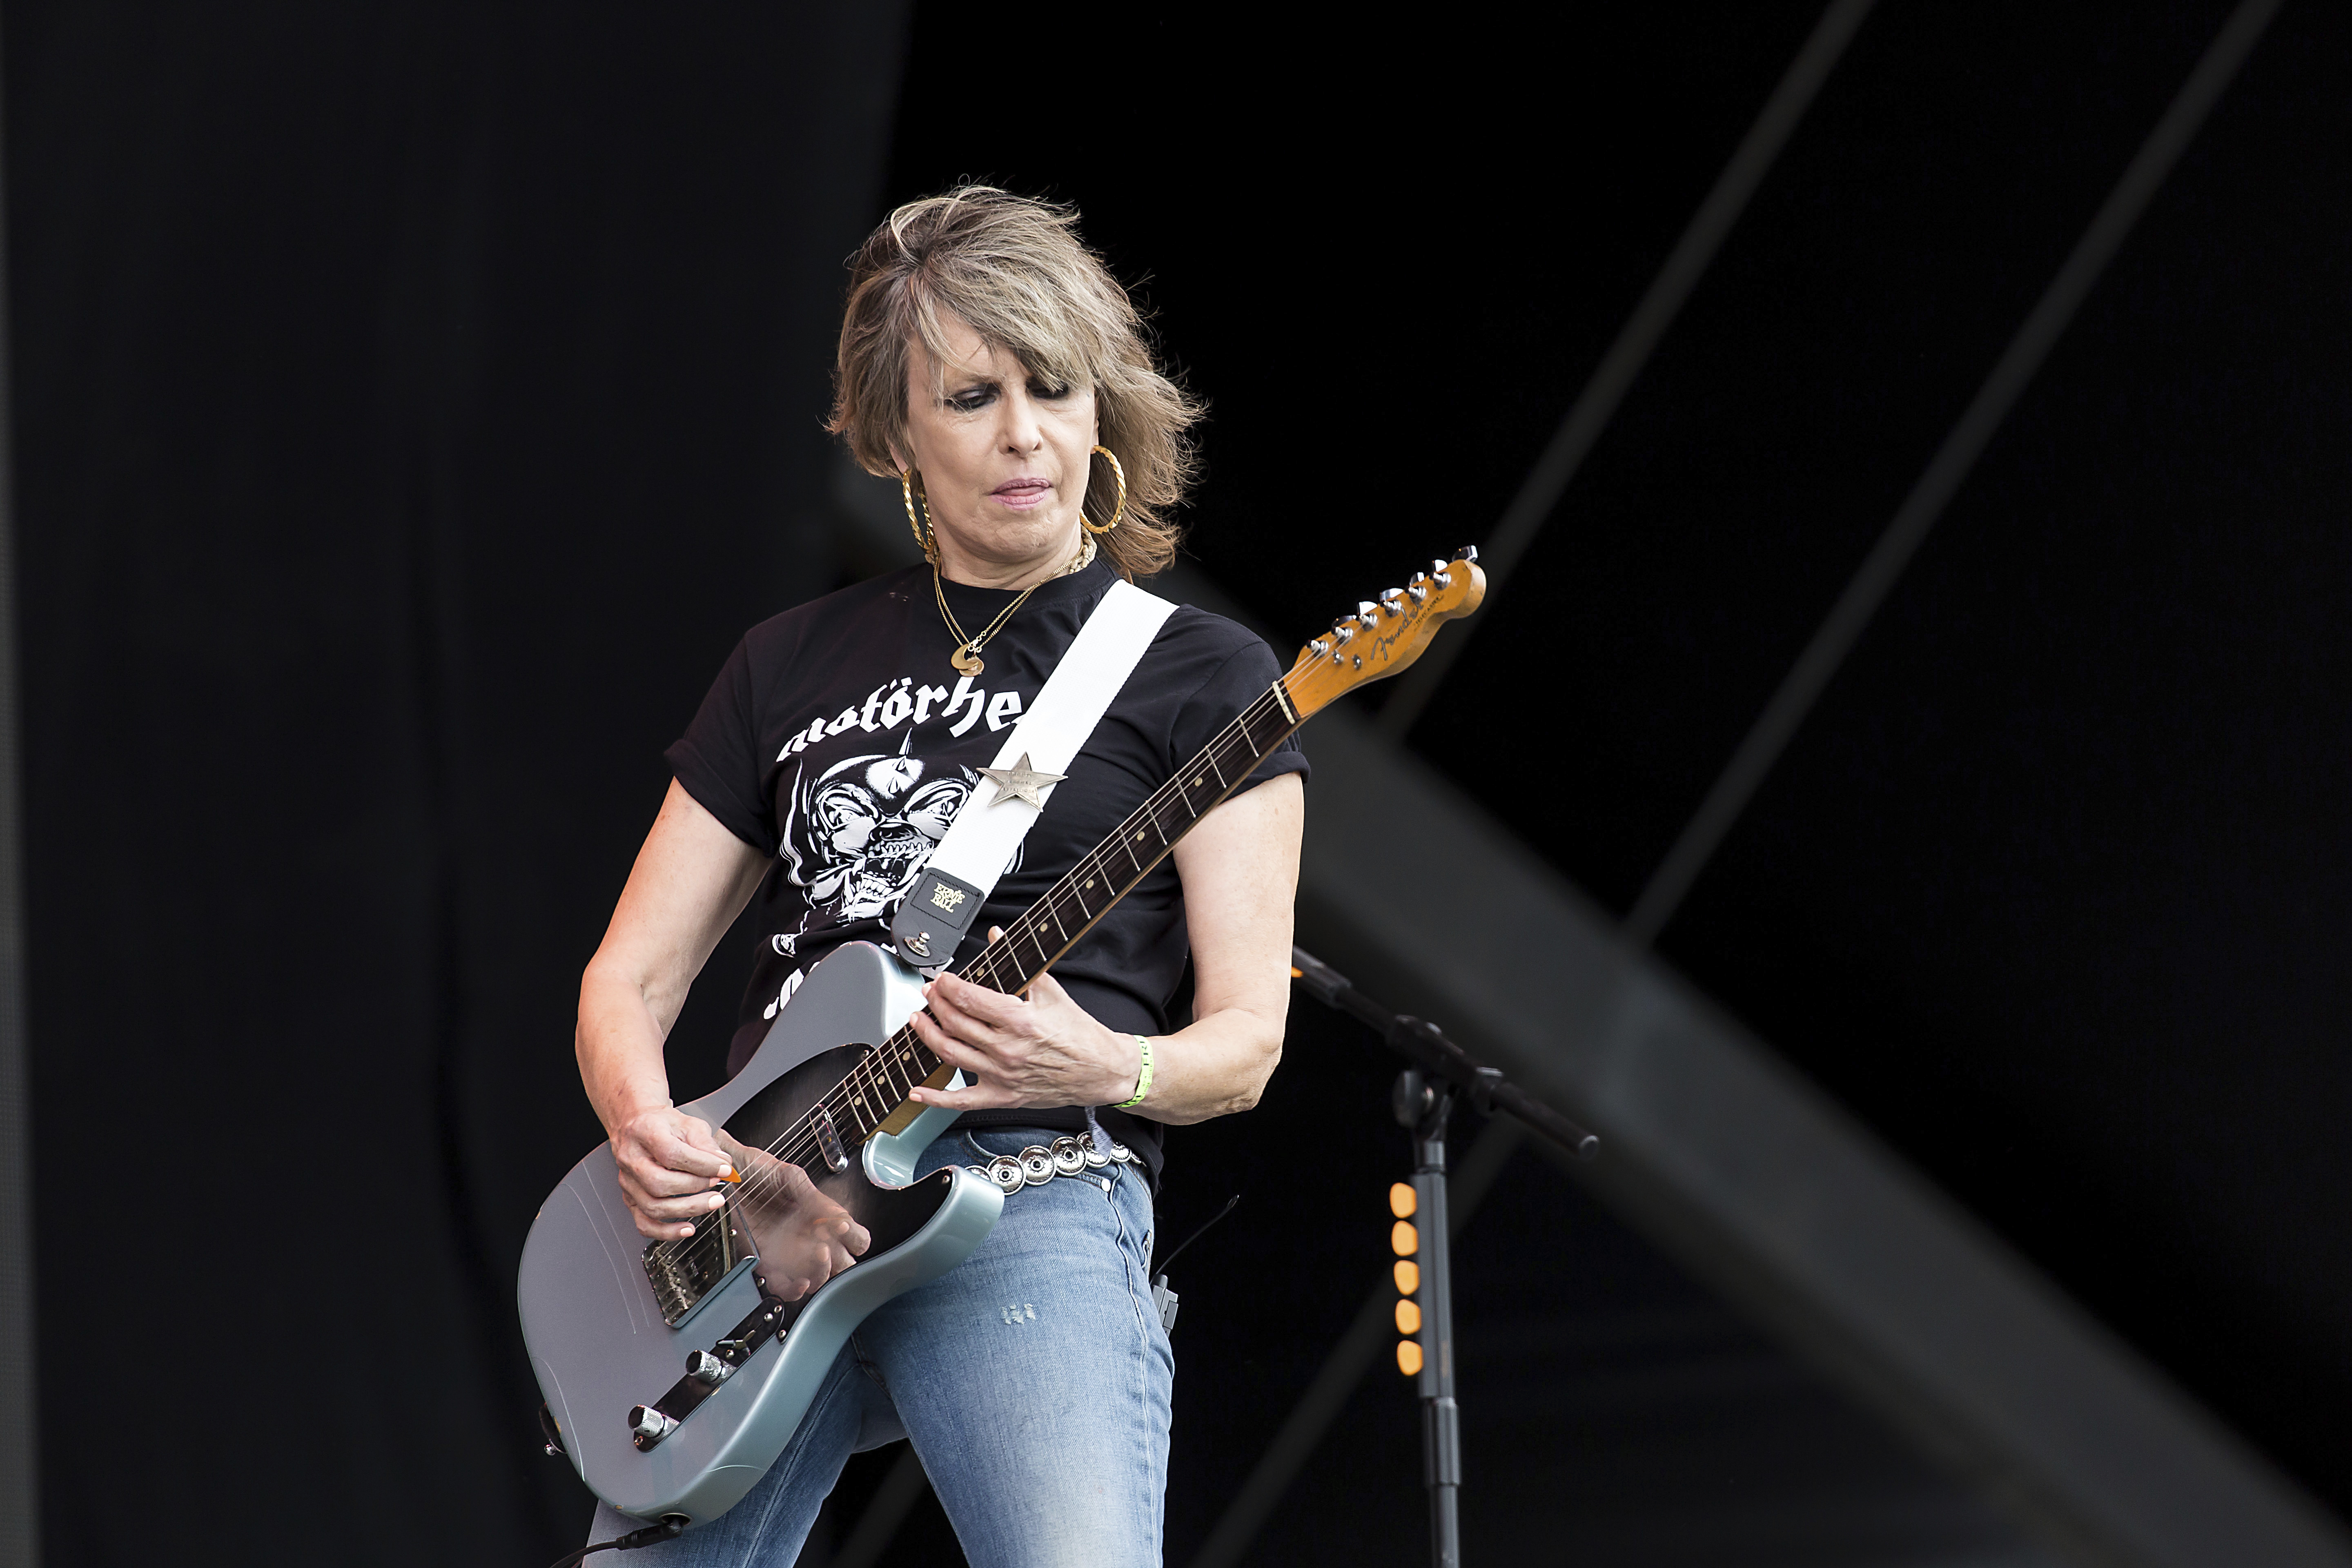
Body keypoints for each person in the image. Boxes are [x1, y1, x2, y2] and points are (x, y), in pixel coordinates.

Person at [573, 186, 1307, 1567]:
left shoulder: (1195, 673)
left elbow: (1248, 1046)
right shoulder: (785, 660)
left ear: (1108, 410)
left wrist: (1102, 1066)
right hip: (765, 1217)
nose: (1024, 434)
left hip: (1027, 1199)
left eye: (1055, 387)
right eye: (972, 397)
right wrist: (645, 1127)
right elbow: (633, 975)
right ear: (894, 434)